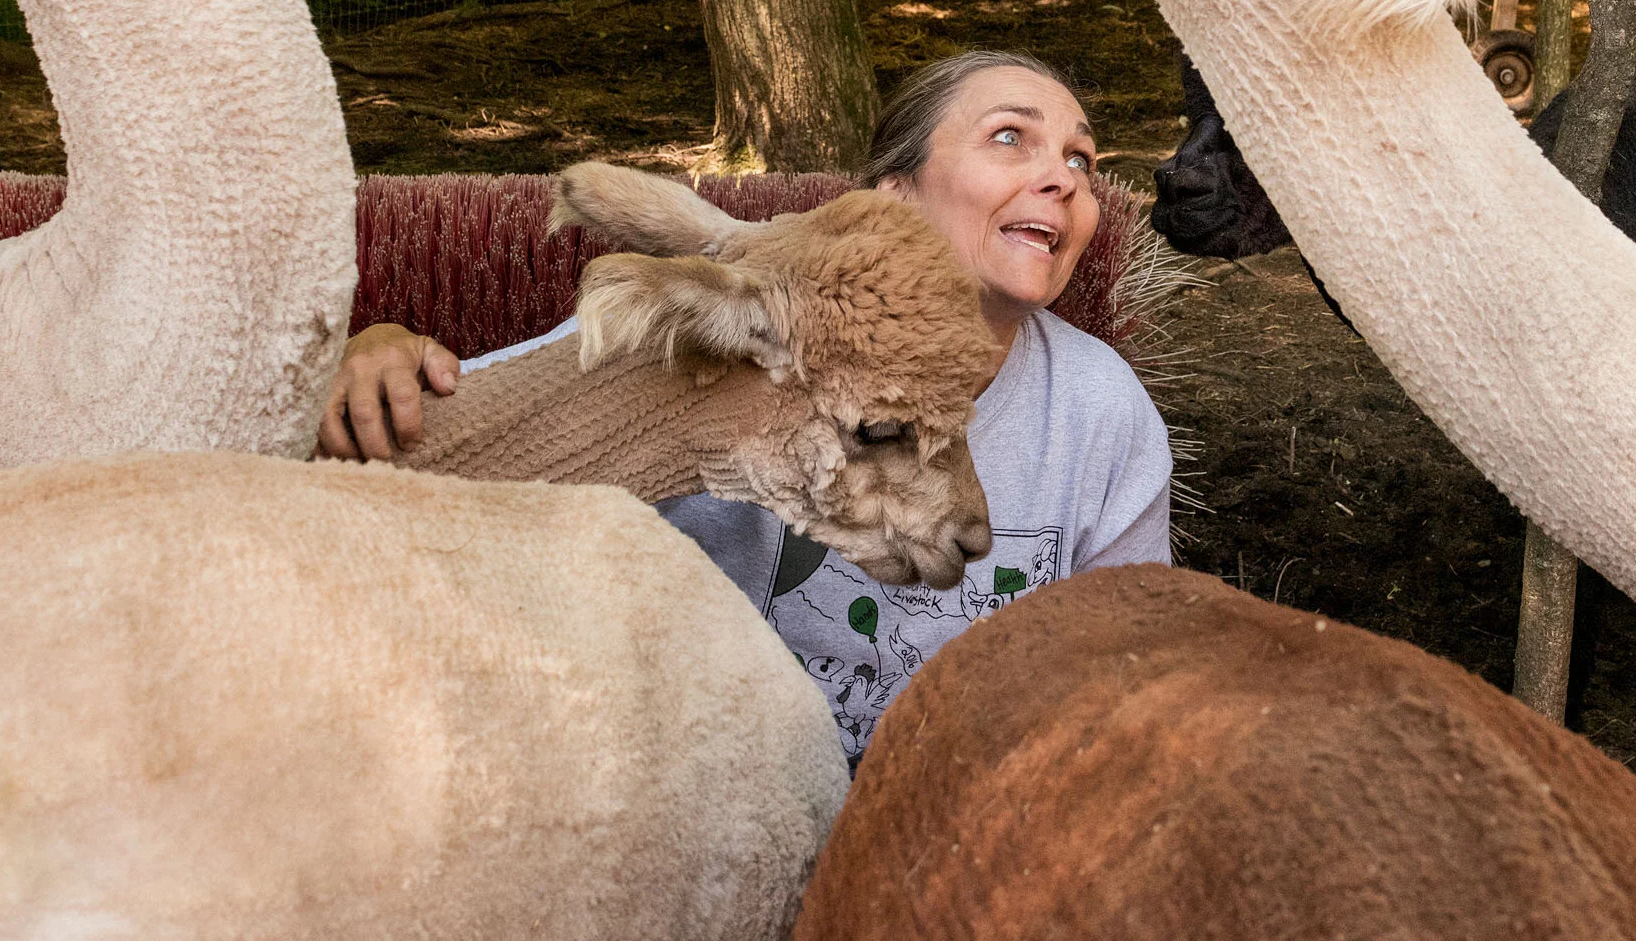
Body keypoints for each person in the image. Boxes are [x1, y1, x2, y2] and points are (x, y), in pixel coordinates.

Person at [322, 49, 1173, 760]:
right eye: (1010, 137)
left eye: (1082, 160)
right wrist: (379, 350)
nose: (1060, 178)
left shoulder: (1100, 411)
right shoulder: (739, 351)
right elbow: (518, 413)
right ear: (895, 196)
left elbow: (1139, 675)